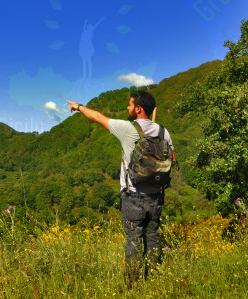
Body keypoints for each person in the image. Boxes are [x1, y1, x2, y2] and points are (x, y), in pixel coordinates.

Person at [66, 90, 175, 286]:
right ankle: (154, 280)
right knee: (152, 239)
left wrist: (79, 106)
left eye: (130, 105)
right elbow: (172, 160)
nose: (127, 107)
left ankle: (132, 284)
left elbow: (98, 117)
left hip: (133, 197)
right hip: (157, 197)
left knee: (133, 239)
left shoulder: (128, 128)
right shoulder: (163, 132)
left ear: (138, 109)